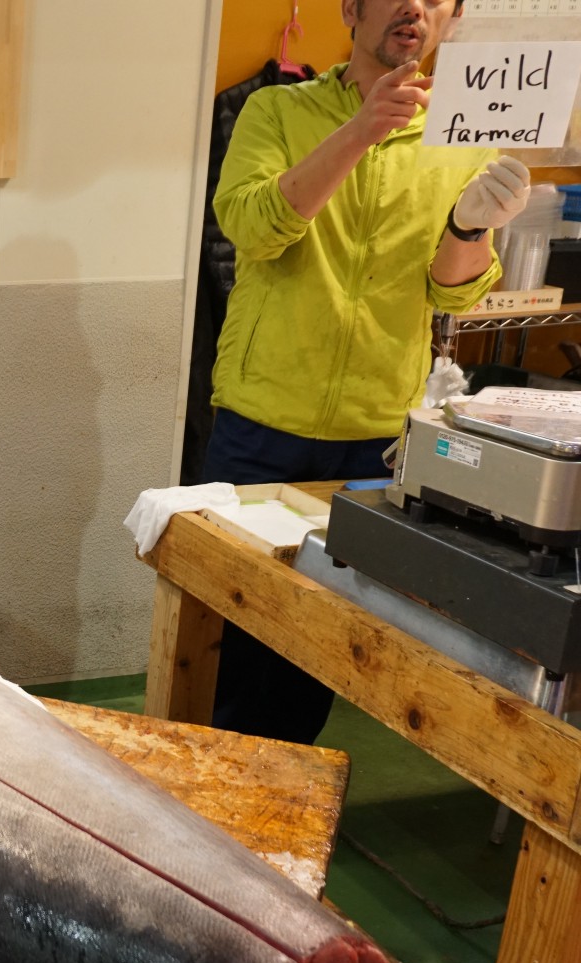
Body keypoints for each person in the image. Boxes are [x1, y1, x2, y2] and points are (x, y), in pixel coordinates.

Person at [204, 0, 531, 744]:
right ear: (351, 9)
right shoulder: (275, 110)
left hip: (377, 435)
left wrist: (469, 226)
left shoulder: (464, 133)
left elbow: (454, 289)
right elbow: (250, 225)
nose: (415, 7)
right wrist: (362, 130)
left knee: (321, 644)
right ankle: (196, 804)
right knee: (226, 628)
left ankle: (284, 804)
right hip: (260, 421)